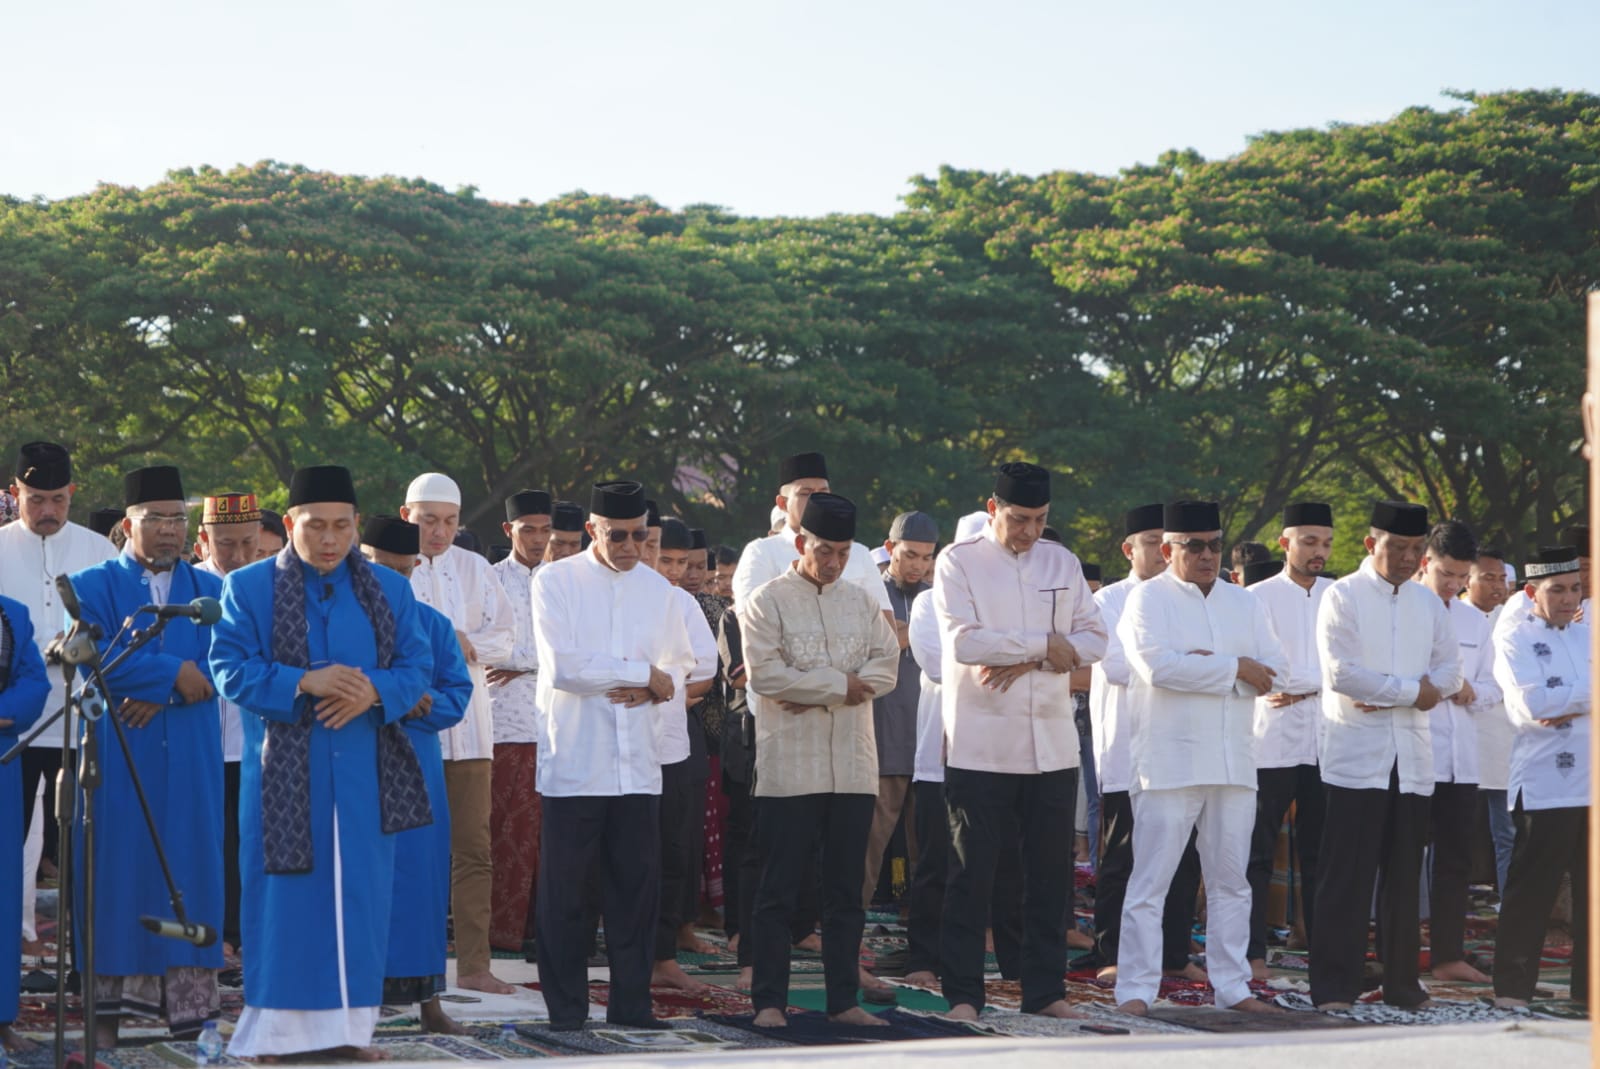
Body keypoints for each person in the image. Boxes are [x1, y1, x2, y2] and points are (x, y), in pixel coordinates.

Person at [211, 464, 434, 1060]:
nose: (330, 538)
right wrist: (302, 681)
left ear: (356, 524)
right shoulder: (249, 588)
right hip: (284, 779)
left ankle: (347, 1034)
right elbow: (228, 669)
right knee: (285, 905)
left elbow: (417, 667)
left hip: (365, 774)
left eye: (341, 525)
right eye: (316, 525)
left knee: (360, 901)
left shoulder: (389, 589)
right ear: (290, 524)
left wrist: (375, 691)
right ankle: (275, 1037)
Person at [933, 462, 1106, 1022]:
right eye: (1019, 519)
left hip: (1052, 747)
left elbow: (1095, 640)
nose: (1030, 531)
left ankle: (1045, 993)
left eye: (1039, 519)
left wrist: (1026, 656)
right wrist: (1045, 646)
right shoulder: (958, 561)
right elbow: (964, 643)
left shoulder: (1062, 561)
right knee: (972, 875)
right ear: (993, 509)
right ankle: (963, 995)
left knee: (1049, 880)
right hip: (981, 744)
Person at [530, 480, 696, 1031]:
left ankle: (632, 1009)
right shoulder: (555, 581)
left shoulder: (659, 590)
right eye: (617, 535)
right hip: (576, 763)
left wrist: (657, 684)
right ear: (591, 530)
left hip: (638, 766)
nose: (630, 546)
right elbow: (565, 668)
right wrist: (641, 674)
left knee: (635, 895)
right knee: (566, 897)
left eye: (639, 536)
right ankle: (567, 1014)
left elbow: (680, 666)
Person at [70, 466, 226, 1045]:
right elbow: (93, 659)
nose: (169, 529)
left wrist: (165, 690)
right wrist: (173, 674)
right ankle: (107, 1018)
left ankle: (190, 1018)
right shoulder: (91, 585)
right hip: (119, 752)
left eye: (178, 518)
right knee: (117, 871)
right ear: (128, 523)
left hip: (191, 755)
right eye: (156, 518)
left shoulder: (213, 593)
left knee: (190, 869)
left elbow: (225, 664)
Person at [1114, 500, 1287, 1017]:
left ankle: (1232, 986)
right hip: (1169, 760)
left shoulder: (1244, 603)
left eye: (1214, 545)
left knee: (1232, 882)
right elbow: (1158, 669)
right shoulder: (1146, 600)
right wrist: (1236, 668)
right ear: (1169, 549)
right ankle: (1135, 989)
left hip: (1234, 760)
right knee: (1151, 882)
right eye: (1195, 546)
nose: (1208, 555)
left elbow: (1275, 670)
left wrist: (1209, 667)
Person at [742, 492, 900, 1028]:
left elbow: (887, 667)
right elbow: (766, 676)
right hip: (790, 768)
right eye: (824, 550)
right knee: (779, 890)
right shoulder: (766, 601)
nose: (833, 562)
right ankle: (768, 1002)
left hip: (853, 767)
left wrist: (812, 689)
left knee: (845, 893)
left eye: (843, 552)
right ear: (800, 543)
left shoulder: (860, 602)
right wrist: (841, 686)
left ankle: (844, 1002)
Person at [1310, 500, 1463, 1010]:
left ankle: (1402, 985)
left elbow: (1450, 674)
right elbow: (1342, 674)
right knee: (1346, 879)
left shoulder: (1427, 604)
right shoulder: (1342, 595)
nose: (1407, 558)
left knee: (1403, 879)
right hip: (1356, 758)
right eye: (1397, 547)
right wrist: (1412, 691)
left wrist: (1394, 693)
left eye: (1416, 549)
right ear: (1370, 543)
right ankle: (1334, 987)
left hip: (1412, 760)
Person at [401, 473, 517, 995]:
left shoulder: (475, 568)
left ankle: (474, 965)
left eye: (449, 522)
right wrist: (454, 643)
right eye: (429, 520)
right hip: (408, 734)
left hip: (470, 734)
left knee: (473, 850)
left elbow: (505, 639)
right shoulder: (388, 570)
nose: (439, 532)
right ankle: (409, 966)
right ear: (407, 516)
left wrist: (455, 640)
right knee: (412, 852)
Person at [0, 441, 116, 952]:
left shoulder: (100, 551)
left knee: (82, 844)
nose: (48, 511)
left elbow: (117, 632)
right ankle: (12, 948)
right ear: (15, 493)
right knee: (10, 844)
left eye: (58, 500)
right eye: (36, 500)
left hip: (82, 721)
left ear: (72, 492)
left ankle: (85, 956)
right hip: (13, 728)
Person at [360, 516, 473, 1035]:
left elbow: (455, 695)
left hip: (416, 765)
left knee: (420, 881)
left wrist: (408, 706)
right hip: (357, 762)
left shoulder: (433, 624)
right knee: (361, 881)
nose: (394, 581)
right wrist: (396, 697)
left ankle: (428, 1002)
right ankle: (356, 1000)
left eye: (405, 572)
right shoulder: (341, 624)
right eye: (383, 569)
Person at [1089, 504, 1203, 983]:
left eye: (1168, 542)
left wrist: (1178, 663)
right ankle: (1113, 952)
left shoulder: (1190, 597)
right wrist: (1181, 664)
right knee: (1124, 856)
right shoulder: (1108, 601)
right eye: (1152, 542)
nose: (1162, 551)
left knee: (1183, 856)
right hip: (1126, 747)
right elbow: (1117, 666)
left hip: (1181, 745)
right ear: (1128, 549)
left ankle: (1173, 954)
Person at [1489, 546, 1590, 1011]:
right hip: (1546, 783)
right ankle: (1512, 989)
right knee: (1532, 889)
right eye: (1558, 590)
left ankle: (1588, 990)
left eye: (1576, 588)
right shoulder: (1514, 638)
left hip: (1592, 780)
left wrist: (1568, 699)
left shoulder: (1589, 634)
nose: (1570, 599)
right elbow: (1534, 705)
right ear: (1532, 592)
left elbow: (1556, 702)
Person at [1243, 502, 1334, 980]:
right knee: (1256, 851)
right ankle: (1251, 953)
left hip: (1326, 741)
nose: (1319, 552)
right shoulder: (1254, 598)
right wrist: (1312, 684)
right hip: (1270, 740)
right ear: (1285, 543)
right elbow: (1258, 668)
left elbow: (1349, 668)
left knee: (1322, 852)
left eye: (1326, 543)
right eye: (1310, 542)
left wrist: (1303, 686)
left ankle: (1324, 953)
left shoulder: (1339, 596)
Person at [1414, 519, 1495, 984]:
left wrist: (1470, 691)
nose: (1454, 585)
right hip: (1414, 754)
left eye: (1462, 577)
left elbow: (1494, 687)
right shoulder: (1406, 611)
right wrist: (1442, 686)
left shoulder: (1474, 620)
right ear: (1425, 563)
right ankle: (1399, 950)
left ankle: (1448, 955)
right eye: (1446, 573)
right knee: (1404, 858)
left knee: (1455, 860)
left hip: (1462, 759)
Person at [648, 518, 719, 993]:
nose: (672, 571)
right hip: (610, 746)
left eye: (679, 561)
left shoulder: (683, 603)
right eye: (665, 559)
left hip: (671, 741)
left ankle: (663, 954)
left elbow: (705, 672)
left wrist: (661, 693)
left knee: (674, 848)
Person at [194, 492, 263, 960]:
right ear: (203, 539)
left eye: (247, 543)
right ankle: (208, 931)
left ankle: (241, 932)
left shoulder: (268, 585)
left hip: (251, 739)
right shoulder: (189, 587)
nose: (238, 555)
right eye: (226, 544)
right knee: (203, 838)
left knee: (246, 839)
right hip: (198, 739)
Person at [487, 490, 552, 957]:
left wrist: (524, 664)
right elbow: (485, 647)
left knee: (546, 839)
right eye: (528, 529)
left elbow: (574, 653)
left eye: (545, 530)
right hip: (502, 724)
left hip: (555, 726)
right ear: (509, 530)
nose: (538, 539)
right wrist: (532, 662)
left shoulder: (564, 581)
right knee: (500, 832)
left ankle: (541, 929)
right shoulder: (489, 580)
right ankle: (496, 931)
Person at [862, 511, 938, 910]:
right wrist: (904, 635)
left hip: (929, 740)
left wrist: (901, 634)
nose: (919, 566)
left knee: (928, 846)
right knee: (869, 843)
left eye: (927, 557)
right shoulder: (870, 594)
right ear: (890, 548)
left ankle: (925, 928)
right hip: (882, 737)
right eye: (910, 555)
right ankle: (849, 925)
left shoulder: (938, 599)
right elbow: (872, 647)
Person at [730, 452, 893, 616]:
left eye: (823, 492)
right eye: (805, 493)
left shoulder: (859, 553)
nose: (817, 500)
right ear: (783, 503)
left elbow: (884, 621)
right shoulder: (762, 552)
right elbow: (751, 620)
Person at [0, 595, 51, 1051]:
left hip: (2, 754)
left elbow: (35, 681)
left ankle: (1, 1017)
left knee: (2, 889)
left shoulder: (12, 615)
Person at [1466, 547, 1516, 894]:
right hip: (1460, 737)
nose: (1498, 585)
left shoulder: (1514, 621)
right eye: (1488, 578)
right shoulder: (1448, 616)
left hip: (1502, 740)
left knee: (1507, 830)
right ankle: (1440, 909)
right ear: (1466, 580)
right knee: (1449, 831)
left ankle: (1510, 904)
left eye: (1502, 579)